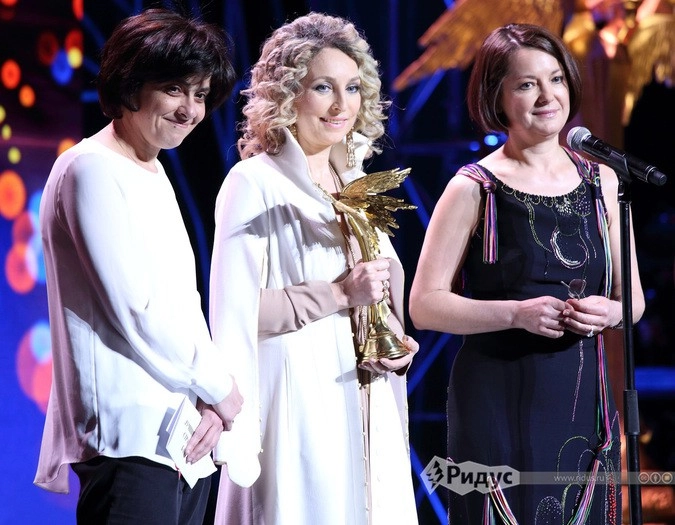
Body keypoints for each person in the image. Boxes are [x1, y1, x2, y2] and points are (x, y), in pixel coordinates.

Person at [409, 23, 645, 524]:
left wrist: (610, 312)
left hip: (584, 399)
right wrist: (516, 313)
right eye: (526, 84)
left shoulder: (602, 180)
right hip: (497, 400)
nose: (546, 96)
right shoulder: (475, 186)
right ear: (497, 97)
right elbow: (424, 305)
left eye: (555, 79)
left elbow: (634, 302)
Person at [34, 8, 244, 524]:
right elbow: (137, 310)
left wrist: (209, 401)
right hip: (127, 438)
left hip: (181, 438)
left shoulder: (150, 169)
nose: (190, 109)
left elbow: (181, 306)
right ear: (131, 85)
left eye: (200, 95)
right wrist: (221, 389)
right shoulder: (90, 168)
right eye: (174, 89)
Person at [209, 12, 419, 525]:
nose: (342, 105)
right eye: (323, 87)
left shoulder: (355, 185)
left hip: (368, 401)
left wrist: (393, 341)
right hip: (297, 407)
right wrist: (338, 294)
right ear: (287, 95)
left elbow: (379, 296)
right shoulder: (253, 182)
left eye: (353, 88)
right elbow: (234, 315)